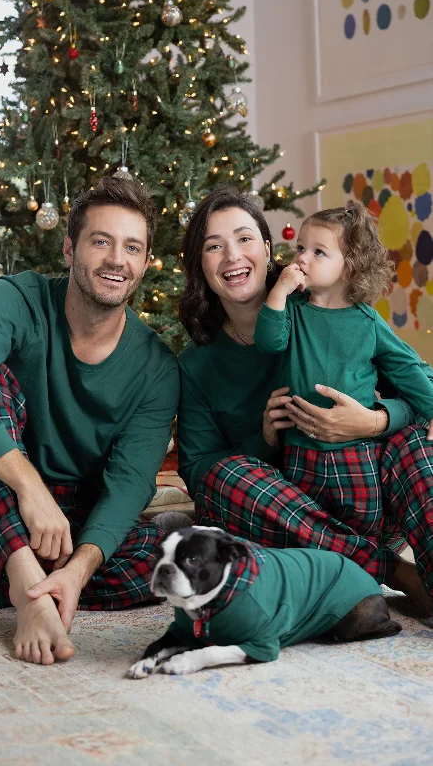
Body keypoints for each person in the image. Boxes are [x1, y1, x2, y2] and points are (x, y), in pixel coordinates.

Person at [0, 177, 180, 665]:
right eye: (101, 241)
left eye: (132, 247)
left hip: (66, 521)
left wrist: (78, 571)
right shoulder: (19, 299)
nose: (116, 259)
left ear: (145, 263)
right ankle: (25, 587)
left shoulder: (157, 367)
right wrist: (28, 485)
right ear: (70, 248)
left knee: (163, 558)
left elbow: (130, 484)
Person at [176, 186, 433, 617]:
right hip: (283, 518)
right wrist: (264, 439)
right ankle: (392, 573)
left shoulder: (327, 308)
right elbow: (198, 469)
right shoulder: (197, 362)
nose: (232, 257)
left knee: (412, 445)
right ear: (200, 265)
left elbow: (417, 388)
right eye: (213, 247)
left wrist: (373, 422)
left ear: (267, 247)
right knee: (225, 476)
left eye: (244, 239)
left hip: (364, 489)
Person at [253, 200, 433, 556]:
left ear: (349, 268)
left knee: (363, 520)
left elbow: (407, 370)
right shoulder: (293, 309)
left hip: (356, 452)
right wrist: (279, 291)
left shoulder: (367, 321)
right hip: (300, 451)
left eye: (319, 251)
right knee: (314, 524)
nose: (302, 258)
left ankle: (379, 548)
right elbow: (268, 341)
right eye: (300, 247)